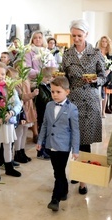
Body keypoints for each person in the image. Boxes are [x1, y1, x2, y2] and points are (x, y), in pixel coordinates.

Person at [60, 19, 105, 195]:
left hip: (89, 101)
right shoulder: (67, 53)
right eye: (74, 36)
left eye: (79, 35)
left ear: (86, 35)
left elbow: (103, 76)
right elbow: (63, 75)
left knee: (85, 142)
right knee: (72, 140)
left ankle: (83, 180)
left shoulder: (95, 53)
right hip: (71, 101)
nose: (76, 39)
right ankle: (75, 172)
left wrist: (96, 81)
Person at [37, 76, 80, 212]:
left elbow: (75, 131)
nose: (54, 95)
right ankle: (64, 190)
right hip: (50, 144)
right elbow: (44, 125)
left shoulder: (72, 109)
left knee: (59, 171)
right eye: (52, 92)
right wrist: (40, 141)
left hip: (63, 146)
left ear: (67, 92)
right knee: (58, 172)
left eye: (58, 92)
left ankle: (55, 199)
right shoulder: (49, 106)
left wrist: (76, 149)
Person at [0, 62, 23, 182]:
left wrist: (11, 113)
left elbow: (18, 104)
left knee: (8, 145)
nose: (0, 76)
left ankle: (9, 167)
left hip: (8, 120)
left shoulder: (10, 87)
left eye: (2, 74)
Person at [8, 67, 38, 164]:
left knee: (24, 132)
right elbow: (22, 97)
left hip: (27, 108)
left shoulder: (25, 79)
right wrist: (32, 94)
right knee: (19, 132)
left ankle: (22, 150)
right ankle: (17, 152)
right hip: (21, 109)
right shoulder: (15, 84)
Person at [34, 66, 56, 159]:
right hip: (42, 112)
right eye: (47, 78)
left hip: (48, 113)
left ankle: (46, 150)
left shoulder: (47, 86)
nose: (49, 79)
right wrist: (54, 97)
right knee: (43, 132)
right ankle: (41, 151)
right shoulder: (39, 87)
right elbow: (44, 100)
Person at [97, 35, 112, 116]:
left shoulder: (110, 52)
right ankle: (98, 111)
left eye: (106, 41)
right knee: (98, 93)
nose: (104, 43)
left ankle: (103, 111)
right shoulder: (97, 51)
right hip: (98, 74)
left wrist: (109, 70)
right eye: (103, 41)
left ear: (108, 42)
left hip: (107, 75)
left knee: (105, 93)